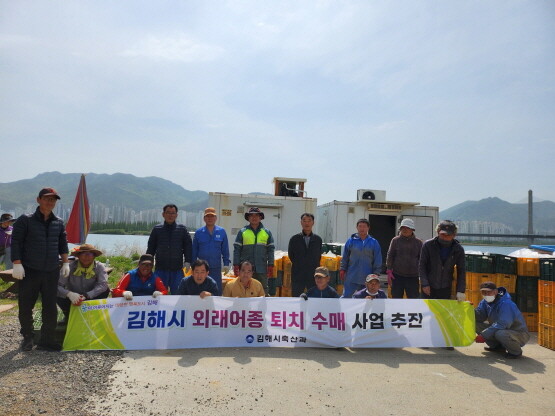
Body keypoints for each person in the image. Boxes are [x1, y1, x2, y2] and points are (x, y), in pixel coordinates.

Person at [10, 187, 70, 351]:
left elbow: (62, 244)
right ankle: (27, 337)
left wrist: (65, 263)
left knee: (50, 306)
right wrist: (17, 263)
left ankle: (47, 340)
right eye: (47, 198)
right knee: (26, 305)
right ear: (39, 200)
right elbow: (16, 242)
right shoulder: (25, 220)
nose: (50, 202)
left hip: (51, 270)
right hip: (30, 269)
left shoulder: (58, 221)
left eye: (53, 199)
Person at [57, 243, 110, 324]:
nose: (86, 257)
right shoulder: (70, 267)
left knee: (106, 290)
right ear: (78, 256)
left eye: (90, 254)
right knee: (56, 292)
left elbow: (103, 284)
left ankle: (94, 314)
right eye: (83, 254)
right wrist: (69, 294)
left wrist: (87, 295)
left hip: (91, 296)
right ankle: (68, 315)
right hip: (73, 298)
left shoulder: (100, 267)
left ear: (94, 256)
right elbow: (58, 285)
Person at [475, 282, 530, 359]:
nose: (486, 294)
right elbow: (480, 317)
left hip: (518, 333)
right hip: (501, 329)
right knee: (475, 324)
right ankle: (498, 347)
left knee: (500, 333)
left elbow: (503, 324)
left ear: (496, 292)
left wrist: (484, 335)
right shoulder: (485, 302)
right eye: (484, 292)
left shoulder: (506, 304)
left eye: (489, 292)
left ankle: (515, 352)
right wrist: (470, 309)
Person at [147, 204, 192, 295]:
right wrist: (148, 263)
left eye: (173, 213)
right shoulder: (157, 229)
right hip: (160, 269)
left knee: (178, 294)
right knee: (158, 295)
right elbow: (151, 248)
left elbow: (188, 246)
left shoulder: (182, 229)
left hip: (177, 270)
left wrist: (188, 261)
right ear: (163, 214)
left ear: (176, 215)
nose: (170, 215)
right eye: (168, 213)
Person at [419, 220, 466, 301]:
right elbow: (422, 265)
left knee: (442, 312)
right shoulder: (428, 245)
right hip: (429, 285)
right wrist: (424, 284)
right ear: (437, 232)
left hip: (446, 287)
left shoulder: (458, 249)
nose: (445, 237)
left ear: (454, 235)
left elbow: (461, 270)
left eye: (448, 235)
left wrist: (461, 290)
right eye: (443, 234)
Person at [233, 207, 275, 295]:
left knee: (263, 290)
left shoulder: (267, 232)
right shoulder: (242, 232)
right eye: (251, 215)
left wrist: (271, 265)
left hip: (261, 268)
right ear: (248, 218)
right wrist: (236, 264)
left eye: (256, 215)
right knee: (244, 289)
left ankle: (262, 308)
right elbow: (237, 249)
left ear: (260, 217)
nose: (254, 217)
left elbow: (271, 250)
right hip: (246, 269)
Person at [340, 218, 382, 298]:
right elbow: (345, 256)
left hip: (367, 277)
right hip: (351, 275)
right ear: (357, 227)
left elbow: (378, 258)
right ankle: (345, 311)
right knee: (346, 297)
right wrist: (342, 268)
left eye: (364, 226)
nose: (362, 229)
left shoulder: (374, 242)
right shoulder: (351, 241)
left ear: (368, 228)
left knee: (365, 299)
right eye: (360, 226)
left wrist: (376, 273)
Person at [192, 207, 230, 294]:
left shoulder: (221, 231)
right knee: (201, 292)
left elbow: (225, 249)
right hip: (201, 269)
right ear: (204, 218)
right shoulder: (198, 232)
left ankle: (215, 308)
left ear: (216, 218)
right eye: (207, 216)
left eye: (212, 216)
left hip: (215, 268)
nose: (210, 218)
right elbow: (194, 250)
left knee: (216, 291)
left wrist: (226, 264)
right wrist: (192, 265)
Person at [386, 218, 423, 299]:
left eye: (407, 228)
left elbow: (422, 260)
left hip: (413, 277)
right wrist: (389, 270)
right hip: (397, 276)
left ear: (412, 229)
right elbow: (390, 255)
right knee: (396, 299)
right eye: (403, 228)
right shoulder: (395, 240)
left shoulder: (419, 242)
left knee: (413, 300)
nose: (405, 230)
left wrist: (422, 274)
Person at [288, 213, 322, 297]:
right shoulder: (294, 239)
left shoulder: (318, 239)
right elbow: (291, 255)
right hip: (298, 274)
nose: (307, 223)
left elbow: (318, 256)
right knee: (296, 297)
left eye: (309, 221)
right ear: (301, 223)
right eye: (304, 221)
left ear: (313, 223)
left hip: (313, 274)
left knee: (313, 298)